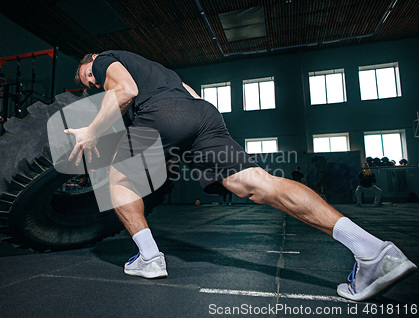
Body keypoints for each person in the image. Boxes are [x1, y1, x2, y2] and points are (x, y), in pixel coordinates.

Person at [66, 50, 416, 301]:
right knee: (256, 182)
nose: (94, 81)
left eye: (88, 76)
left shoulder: (104, 58)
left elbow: (124, 92)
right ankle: (373, 251)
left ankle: (149, 257)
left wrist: (92, 131)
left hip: (163, 112)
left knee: (116, 177)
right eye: (90, 80)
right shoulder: (160, 70)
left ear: (91, 59)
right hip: (202, 115)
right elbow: (192, 97)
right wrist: (175, 146)